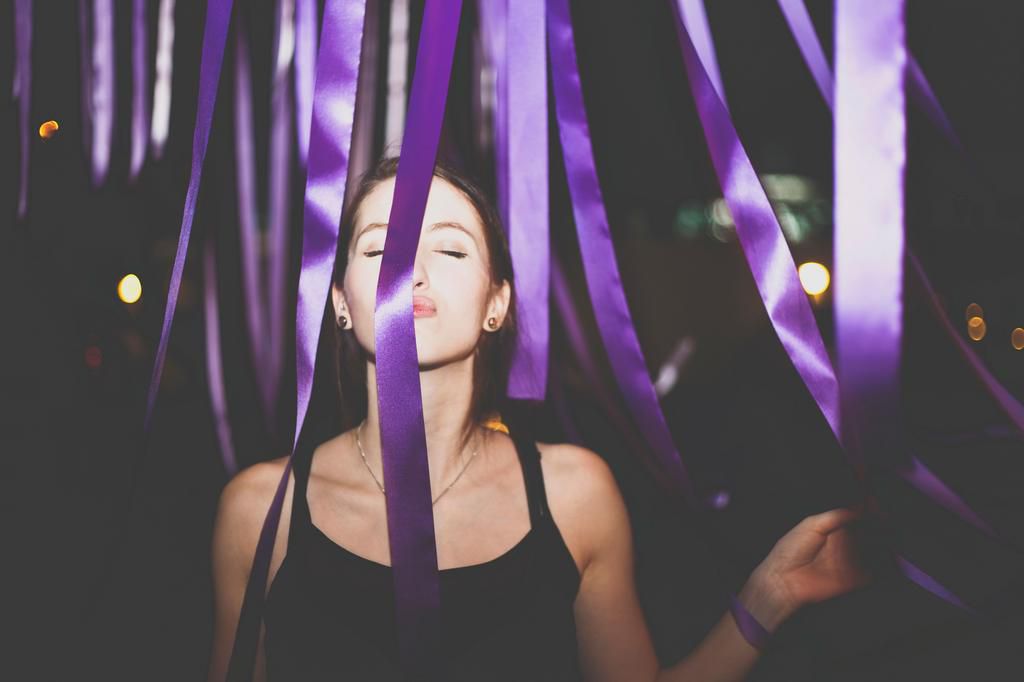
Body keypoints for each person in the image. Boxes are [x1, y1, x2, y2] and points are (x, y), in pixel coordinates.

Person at [207, 156, 868, 681]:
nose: (411, 272)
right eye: (380, 250)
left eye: (453, 250)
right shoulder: (261, 512)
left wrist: (769, 596)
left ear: (497, 303)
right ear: (341, 304)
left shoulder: (574, 495)